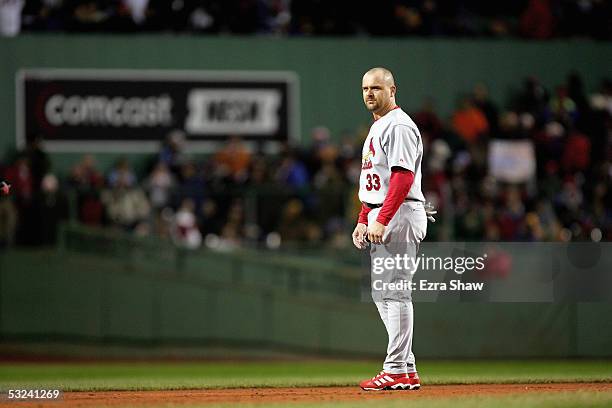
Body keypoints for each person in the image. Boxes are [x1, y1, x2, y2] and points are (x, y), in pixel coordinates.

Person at [352, 67, 432, 391]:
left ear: (392, 90)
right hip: (385, 211)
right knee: (382, 293)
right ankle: (407, 365)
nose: (370, 93)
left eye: (376, 88)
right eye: (365, 88)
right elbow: (375, 182)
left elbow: (402, 177)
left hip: (399, 212)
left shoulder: (398, 125)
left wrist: (382, 218)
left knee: (395, 291)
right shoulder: (380, 126)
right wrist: (363, 218)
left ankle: (396, 368)